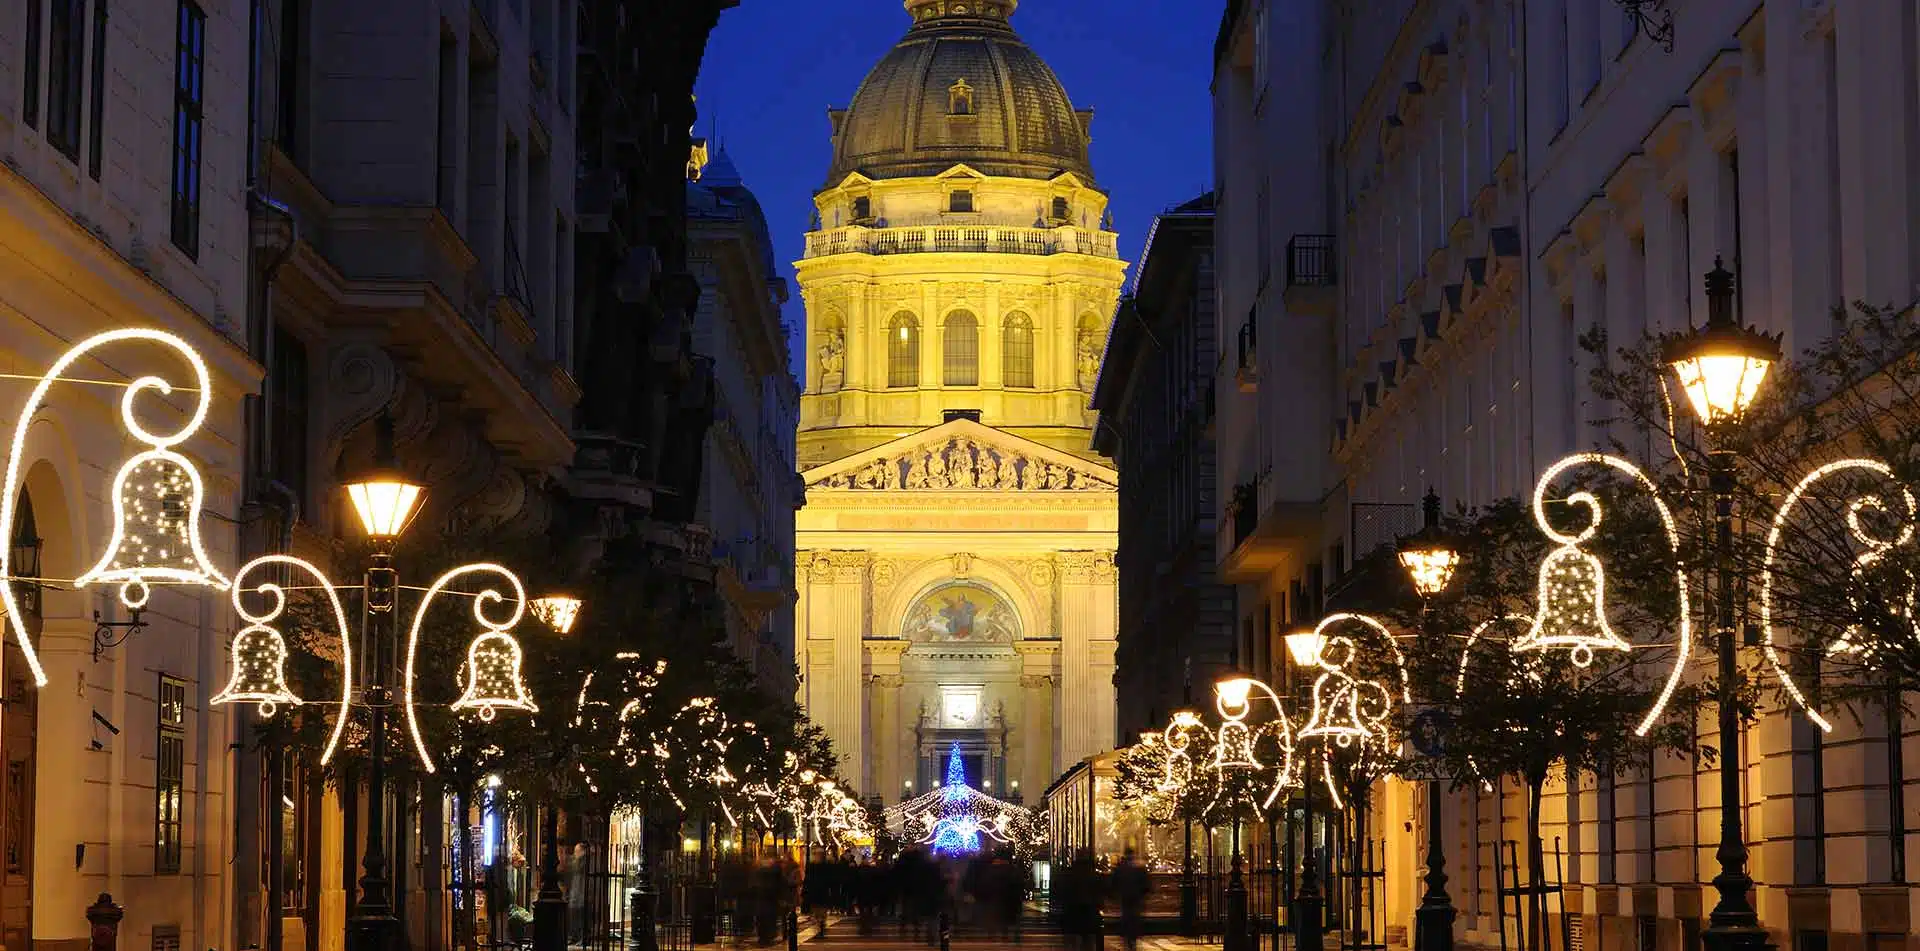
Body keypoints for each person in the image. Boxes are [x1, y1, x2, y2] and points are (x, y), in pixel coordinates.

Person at [1112, 848, 1150, 951]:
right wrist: (1144, 893)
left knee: (1126, 914)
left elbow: (1114, 882)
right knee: (1135, 916)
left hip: (1125, 896)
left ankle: (1127, 936)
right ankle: (1133, 937)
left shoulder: (1120, 868)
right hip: (1136, 896)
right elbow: (1146, 884)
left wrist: (1115, 893)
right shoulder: (1139, 867)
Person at [566, 841, 590, 945]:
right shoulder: (576, 861)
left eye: (577, 851)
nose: (575, 853)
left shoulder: (583, 861)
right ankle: (574, 936)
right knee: (574, 915)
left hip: (581, 892)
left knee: (581, 916)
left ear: (582, 851)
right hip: (575, 891)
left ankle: (582, 938)